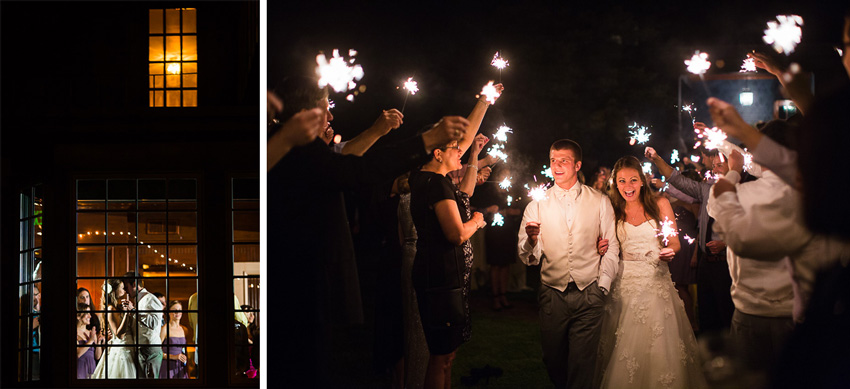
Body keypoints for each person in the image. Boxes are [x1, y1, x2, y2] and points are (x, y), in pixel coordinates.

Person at [269, 75, 467, 386]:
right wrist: (427, 141)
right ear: (305, 114)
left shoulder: (294, 149)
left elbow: (350, 162)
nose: (331, 116)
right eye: (324, 108)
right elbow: (358, 170)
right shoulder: (292, 151)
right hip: (296, 284)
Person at [517, 139, 620, 389]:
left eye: (564, 160)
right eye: (553, 160)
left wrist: (602, 286)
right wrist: (532, 240)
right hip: (552, 294)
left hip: (589, 293)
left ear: (577, 165)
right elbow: (527, 256)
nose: (557, 165)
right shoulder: (536, 204)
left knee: (582, 364)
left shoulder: (599, 200)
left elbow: (612, 245)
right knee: (553, 359)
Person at [596, 155, 706, 389]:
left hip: (655, 281)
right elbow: (606, 243)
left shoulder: (660, 204)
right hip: (622, 283)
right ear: (615, 182)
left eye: (633, 180)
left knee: (657, 344)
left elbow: (674, 243)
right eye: (622, 181)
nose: (628, 187)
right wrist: (601, 247)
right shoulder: (612, 209)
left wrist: (669, 251)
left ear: (643, 180)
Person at [410, 130, 488, 388]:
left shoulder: (426, 180)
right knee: (441, 356)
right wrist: (476, 221)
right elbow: (455, 234)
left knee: (448, 355)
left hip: (443, 278)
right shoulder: (436, 183)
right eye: (456, 147)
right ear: (438, 153)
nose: (460, 151)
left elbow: (463, 192)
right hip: (442, 281)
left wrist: (476, 154)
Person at [645, 144, 734, 334]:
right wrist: (657, 159)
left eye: (719, 166)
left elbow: (750, 228)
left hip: (727, 263)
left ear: (732, 166)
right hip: (705, 263)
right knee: (708, 317)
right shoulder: (707, 189)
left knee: (728, 316)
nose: (714, 169)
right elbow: (678, 181)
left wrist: (726, 244)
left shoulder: (741, 191)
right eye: (714, 165)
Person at [91, 279, 137, 379]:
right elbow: (119, 334)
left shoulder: (118, 307)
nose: (124, 290)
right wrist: (126, 314)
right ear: (115, 290)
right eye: (122, 288)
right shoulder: (110, 309)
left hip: (130, 348)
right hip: (122, 351)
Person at [122, 272, 163, 378]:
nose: (125, 290)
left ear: (134, 284)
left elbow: (154, 323)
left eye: (126, 287)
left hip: (149, 350)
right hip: (141, 349)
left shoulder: (150, 298)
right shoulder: (138, 300)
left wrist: (134, 311)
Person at [159, 300, 189, 379]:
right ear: (169, 312)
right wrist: (173, 356)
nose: (177, 313)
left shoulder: (184, 329)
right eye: (174, 311)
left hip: (181, 366)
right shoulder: (164, 329)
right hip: (167, 366)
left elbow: (185, 350)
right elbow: (156, 352)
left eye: (179, 310)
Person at [76, 303, 104, 379]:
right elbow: (77, 354)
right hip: (80, 369)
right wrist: (90, 341)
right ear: (78, 316)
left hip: (92, 368)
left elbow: (97, 357)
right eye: (87, 313)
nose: (90, 316)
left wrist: (98, 342)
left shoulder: (90, 333)